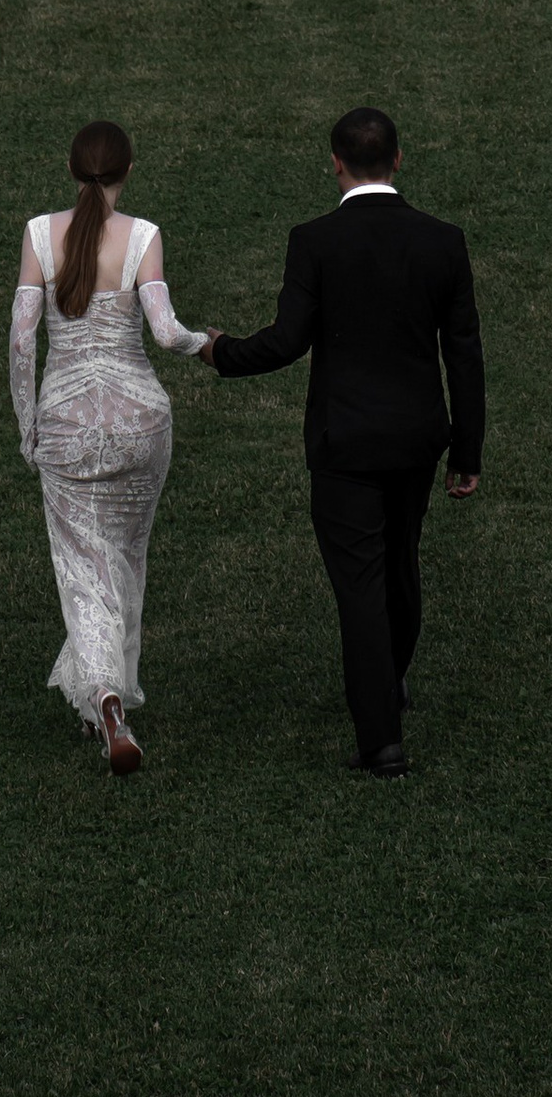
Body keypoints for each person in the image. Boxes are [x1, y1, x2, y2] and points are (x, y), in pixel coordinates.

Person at [204, 105, 484, 778]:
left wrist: (220, 352)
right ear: (398, 158)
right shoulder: (443, 241)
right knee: (401, 564)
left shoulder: (315, 240)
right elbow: (464, 354)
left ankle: (381, 739)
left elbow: (286, 340)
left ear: (335, 164)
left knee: (360, 585)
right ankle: (389, 680)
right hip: (416, 441)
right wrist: (466, 452)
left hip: (345, 443)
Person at [9, 118, 209, 774]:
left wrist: (28, 425)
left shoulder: (40, 235)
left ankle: (105, 697)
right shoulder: (143, 237)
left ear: (72, 171)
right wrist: (208, 344)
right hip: (141, 423)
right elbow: (166, 332)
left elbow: (22, 340)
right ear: (127, 171)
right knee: (123, 559)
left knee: (83, 568)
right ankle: (107, 693)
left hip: (67, 425)